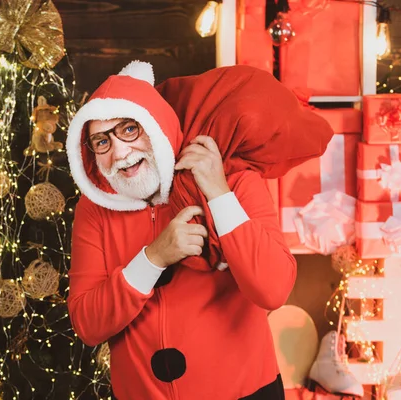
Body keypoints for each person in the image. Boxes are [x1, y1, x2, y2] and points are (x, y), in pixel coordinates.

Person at [65, 61, 333, 400]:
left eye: (129, 129)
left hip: (246, 393)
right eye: (101, 141)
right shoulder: (94, 211)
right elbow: (88, 325)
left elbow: (273, 290)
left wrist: (219, 194)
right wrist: (153, 258)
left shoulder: (234, 179)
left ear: (156, 126)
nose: (119, 151)